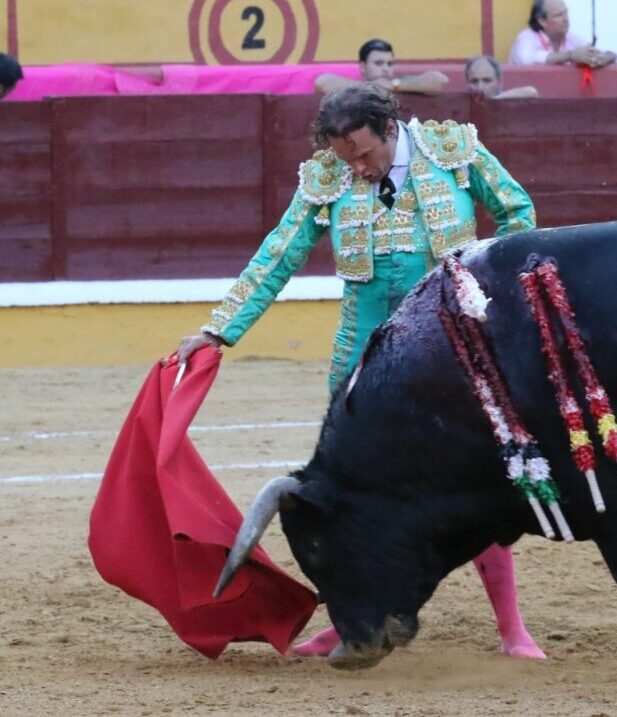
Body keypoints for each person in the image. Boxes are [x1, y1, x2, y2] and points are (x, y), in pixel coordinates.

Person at [174, 84, 544, 660]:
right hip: (361, 357)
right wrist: (219, 330)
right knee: (349, 496)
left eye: (365, 155)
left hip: (447, 347)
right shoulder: (328, 176)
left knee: (470, 481)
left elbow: (517, 212)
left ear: (390, 129)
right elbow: (278, 254)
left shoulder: (451, 150)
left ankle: (512, 628)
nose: (358, 169)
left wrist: (488, 287)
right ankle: (347, 623)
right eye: (346, 159)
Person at [315, 38, 448, 97]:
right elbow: (323, 82)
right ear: (363, 66)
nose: (386, 69)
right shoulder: (353, 86)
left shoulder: (400, 84)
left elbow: (440, 80)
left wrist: (394, 86)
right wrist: (371, 87)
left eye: (389, 64)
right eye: (378, 63)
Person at [508, 0, 617, 68]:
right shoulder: (527, 37)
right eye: (559, 15)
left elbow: (606, 54)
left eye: (566, 13)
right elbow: (526, 60)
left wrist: (604, 58)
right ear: (542, 21)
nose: (566, 19)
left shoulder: (571, 38)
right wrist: (570, 56)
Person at [465, 55, 538, 100]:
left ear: (499, 81)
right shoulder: (464, 105)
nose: (480, 87)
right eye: (474, 81)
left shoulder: (505, 99)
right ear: (467, 82)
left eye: (487, 81)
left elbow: (532, 92)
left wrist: (493, 101)